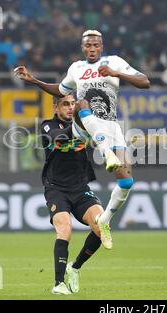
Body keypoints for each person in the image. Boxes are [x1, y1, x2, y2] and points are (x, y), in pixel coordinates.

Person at [14, 30, 151, 249]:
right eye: (88, 45)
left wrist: (117, 74)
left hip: (110, 126)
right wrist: (34, 81)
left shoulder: (114, 62)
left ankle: (104, 220)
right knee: (80, 103)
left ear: (101, 45)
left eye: (96, 45)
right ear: (83, 47)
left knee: (126, 182)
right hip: (82, 125)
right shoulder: (76, 68)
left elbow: (145, 82)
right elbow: (60, 90)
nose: (92, 49)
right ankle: (106, 153)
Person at [41, 94, 105, 295]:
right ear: (55, 107)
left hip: (80, 188)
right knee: (65, 229)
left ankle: (75, 267)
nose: (70, 108)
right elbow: (57, 138)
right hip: (56, 188)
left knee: (101, 226)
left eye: (72, 104)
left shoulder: (85, 123)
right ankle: (58, 284)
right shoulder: (47, 126)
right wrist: (82, 122)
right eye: (65, 104)